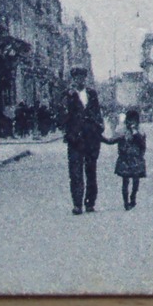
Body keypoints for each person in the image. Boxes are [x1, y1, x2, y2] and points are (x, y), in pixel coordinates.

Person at [63, 67, 103, 215]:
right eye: (76, 78)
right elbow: (62, 114)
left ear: (84, 79)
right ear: (73, 79)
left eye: (81, 77)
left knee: (91, 171)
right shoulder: (68, 95)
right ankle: (77, 204)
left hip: (91, 138)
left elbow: (97, 112)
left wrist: (99, 126)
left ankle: (90, 203)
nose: (79, 80)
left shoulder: (92, 94)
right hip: (75, 139)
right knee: (75, 172)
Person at [104, 107, 148, 210]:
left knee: (136, 181)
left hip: (136, 159)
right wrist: (99, 137)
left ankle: (133, 196)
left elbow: (142, 144)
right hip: (124, 159)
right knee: (125, 181)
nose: (131, 122)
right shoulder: (122, 131)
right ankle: (126, 202)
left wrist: (135, 133)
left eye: (134, 120)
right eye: (129, 120)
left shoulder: (140, 131)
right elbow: (111, 141)